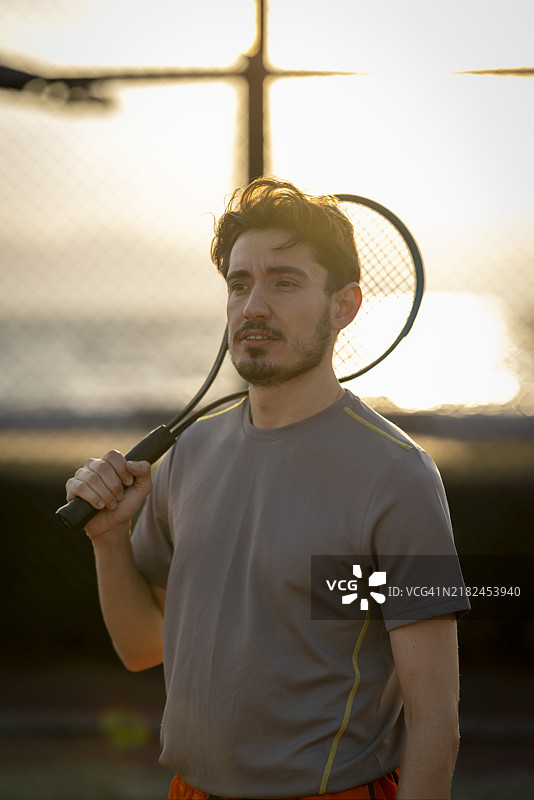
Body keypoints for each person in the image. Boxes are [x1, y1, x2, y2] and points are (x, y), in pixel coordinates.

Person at [66, 178, 470, 800]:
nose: (254, 305)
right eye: (239, 284)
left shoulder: (398, 475)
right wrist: (110, 538)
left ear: (345, 306)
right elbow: (143, 646)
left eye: (285, 282)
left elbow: (435, 720)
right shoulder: (189, 455)